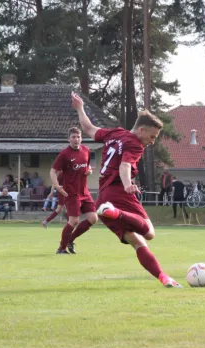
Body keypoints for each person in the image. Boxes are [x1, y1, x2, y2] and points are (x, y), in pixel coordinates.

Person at [71, 91, 183, 288]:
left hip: (103, 195)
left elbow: (88, 128)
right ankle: (116, 212)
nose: (152, 141)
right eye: (152, 136)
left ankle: (163, 277)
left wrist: (80, 108)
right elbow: (124, 166)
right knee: (149, 232)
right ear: (141, 130)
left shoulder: (115, 133)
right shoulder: (135, 144)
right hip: (118, 193)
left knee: (138, 242)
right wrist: (127, 185)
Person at [50, 127, 98, 255]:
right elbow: (53, 171)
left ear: (81, 138)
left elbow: (88, 166)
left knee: (93, 218)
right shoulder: (64, 154)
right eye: (73, 137)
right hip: (71, 192)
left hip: (84, 192)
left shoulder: (86, 150)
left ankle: (70, 240)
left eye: (78, 137)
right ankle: (61, 248)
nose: (76, 139)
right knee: (74, 221)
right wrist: (56, 185)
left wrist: (90, 170)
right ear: (69, 139)